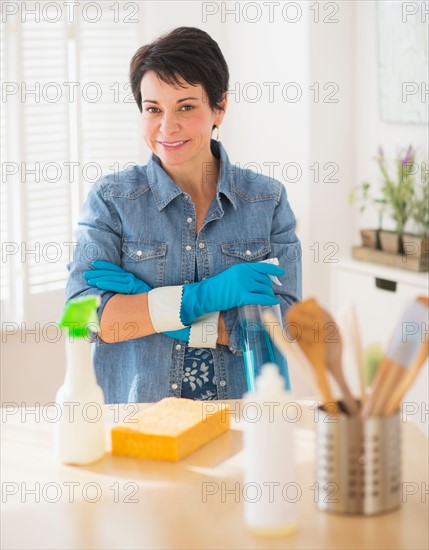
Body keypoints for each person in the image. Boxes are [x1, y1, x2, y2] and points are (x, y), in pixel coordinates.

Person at [65, 26, 302, 404]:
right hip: (138, 425)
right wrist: (204, 298)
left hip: (243, 424)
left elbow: (284, 329)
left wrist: (147, 304)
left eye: (186, 107)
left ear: (219, 107)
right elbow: (81, 320)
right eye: (153, 109)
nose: (167, 127)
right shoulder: (111, 200)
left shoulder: (267, 201)